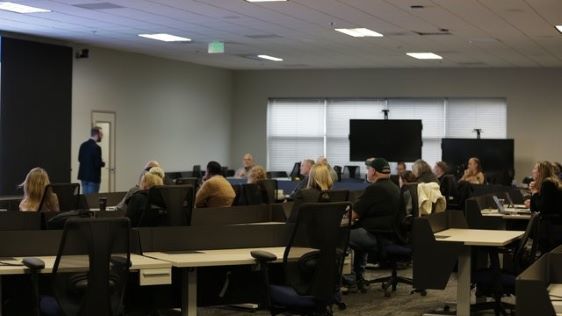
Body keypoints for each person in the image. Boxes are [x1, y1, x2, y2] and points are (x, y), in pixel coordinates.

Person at [349, 158, 400, 290]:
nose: (367, 172)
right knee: (359, 233)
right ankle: (358, 276)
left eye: (368, 169)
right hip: (389, 236)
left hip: (376, 238)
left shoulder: (374, 189)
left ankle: (334, 282)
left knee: (336, 234)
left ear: (374, 172)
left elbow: (353, 215)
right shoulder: (395, 188)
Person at [78, 126, 105, 194]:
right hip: (93, 178)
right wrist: (103, 163)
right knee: (92, 200)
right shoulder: (97, 148)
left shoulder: (83, 145)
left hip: (83, 177)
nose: (102, 136)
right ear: (97, 134)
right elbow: (97, 163)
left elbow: (79, 159)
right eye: (101, 134)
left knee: (86, 200)